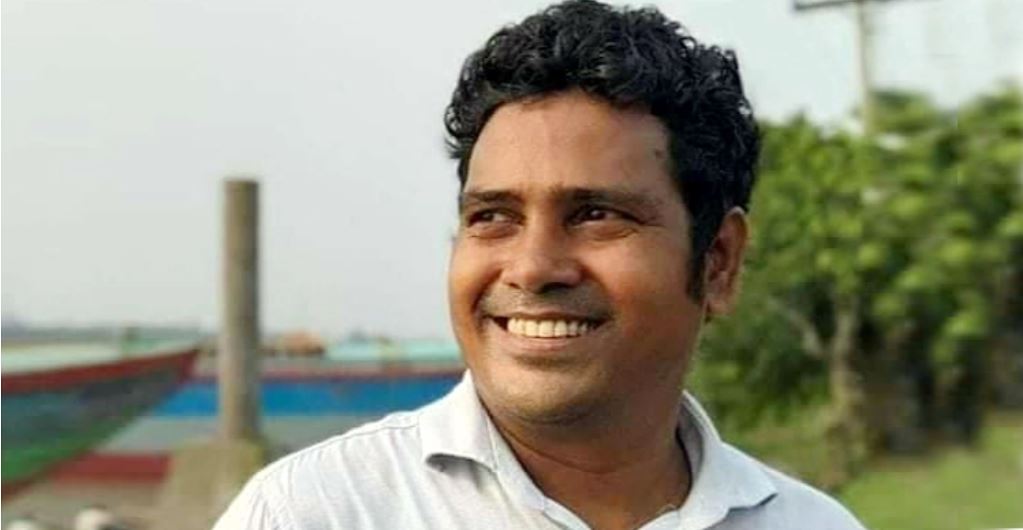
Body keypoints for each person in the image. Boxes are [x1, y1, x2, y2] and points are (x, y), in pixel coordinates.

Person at [215, 1, 865, 528]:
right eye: (493, 216)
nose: (531, 268)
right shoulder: (313, 513)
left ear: (718, 262)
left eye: (595, 214)